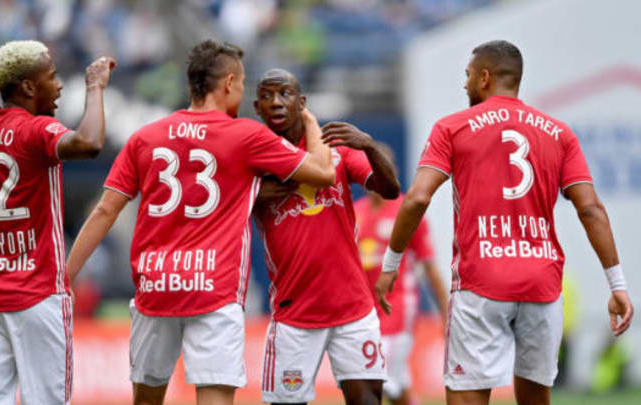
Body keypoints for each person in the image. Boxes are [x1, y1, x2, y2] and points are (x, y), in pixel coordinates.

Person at [64, 40, 336, 405]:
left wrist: (63, 278)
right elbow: (322, 172)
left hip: (155, 288)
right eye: (240, 84)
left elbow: (104, 211)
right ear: (227, 83)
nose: (241, 92)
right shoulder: (246, 136)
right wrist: (311, 124)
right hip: (214, 290)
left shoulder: (146, 137)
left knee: (146, 400)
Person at [376, 40, 634, 405]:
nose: (464, 84)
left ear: (484, 78)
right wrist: (617, 284)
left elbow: (417, 197)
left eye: (467, 76)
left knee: (467, 396)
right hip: (541, 284)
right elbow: (590, 208)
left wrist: (391, 265)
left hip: (481, 281)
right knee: (534, 398)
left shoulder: (451, 128)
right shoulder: (559, 133)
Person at [0, 40, 115, 404]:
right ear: (29, 87)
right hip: (38, 297)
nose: (60, 85)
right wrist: (94, 88)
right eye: (52, 76)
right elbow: (91, 142)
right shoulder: (37, 131)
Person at [252, 68, 400, 405]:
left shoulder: (338, 151)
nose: (276, 102)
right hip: (295, 313)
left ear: (301, 102)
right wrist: (261, 188)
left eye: (285, 94)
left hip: (353, 308)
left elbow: (390, 190)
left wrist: (369, 146)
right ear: (256, 107)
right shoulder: (253, 162)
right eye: (267, 95)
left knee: (368, 402)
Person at [354, 143, 447, 405]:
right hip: (364, 314)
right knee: (398, 390)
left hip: (396, 311)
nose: (371, 174)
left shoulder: (407, 210)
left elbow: (429, 267)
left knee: (373, 384)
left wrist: (445, 313)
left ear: (390, 171)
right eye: (366, 169)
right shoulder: (356, 212)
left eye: (378, 168)